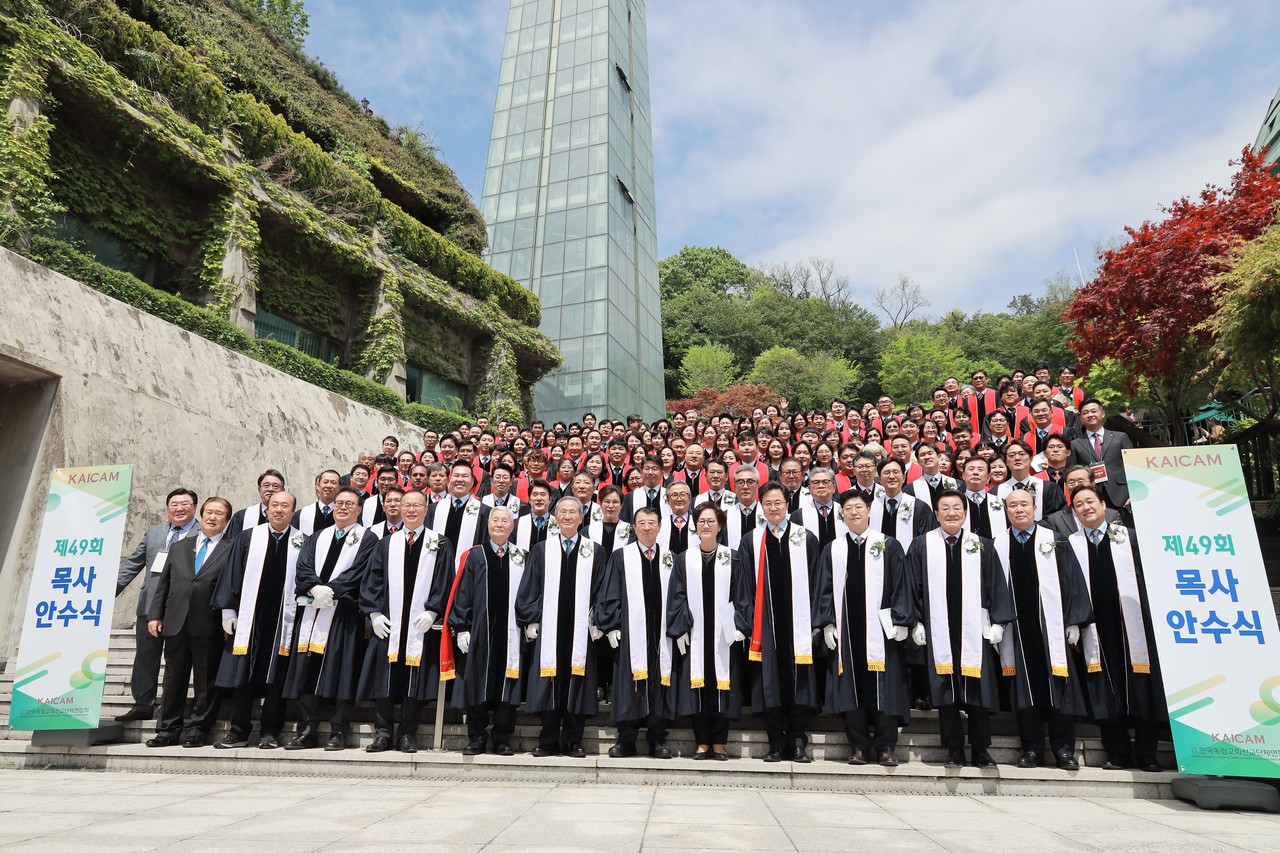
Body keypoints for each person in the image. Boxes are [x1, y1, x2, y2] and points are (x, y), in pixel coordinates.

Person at [906, 490, 1014, 768]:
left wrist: (999, 622)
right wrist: (916, 621)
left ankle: (981, 749)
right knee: (946, 691)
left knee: (977, 689)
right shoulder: (922, 545)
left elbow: (995, 584)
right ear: (936, 514)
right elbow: (911, 587)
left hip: (974, 631)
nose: (951, 513)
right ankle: (953, 749)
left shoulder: (981, 545)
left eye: (957, 508)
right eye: (945, 508)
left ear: (965, 513)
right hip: (938, 630)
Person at [813, 489, 913, 766]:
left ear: (869, 510)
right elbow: (824, 589)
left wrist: (902, 620)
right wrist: (827, 623)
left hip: (882, 632)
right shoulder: (833, 549)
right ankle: (858, 745)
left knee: (885, 687)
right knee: (850, 687)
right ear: (842, 514)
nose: (854, 512)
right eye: (848, 509)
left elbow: (901, 585)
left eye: (859, 507)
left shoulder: (888, 545)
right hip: (847, 632)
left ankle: (886, 747)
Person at [1068, 487, 1165, 772]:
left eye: (1090, 501)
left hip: (1133, 626)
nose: (1085, 507)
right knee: (1104, 689)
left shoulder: (1128, 537)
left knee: (1142, 687)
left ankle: (1147, 754)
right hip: (1095, 628)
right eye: (1078, 504)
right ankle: (1118, 752)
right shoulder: (1071, 545)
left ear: (1103, 505)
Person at [996, 489, 1093, 770]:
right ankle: (1032, 749)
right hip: (1016, 631)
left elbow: (1072, 581)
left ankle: (1064, 750)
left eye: (1024, 504)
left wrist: (1074, 621)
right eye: (1012, 505)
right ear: (1006, 511)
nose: (1019, 509)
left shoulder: (1055, 541)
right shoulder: (998, 544)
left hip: (1052, 630)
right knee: (1024, 690)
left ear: (1035, 507)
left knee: (1059, 687)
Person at [358, 489, 455, 753]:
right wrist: (374, 613)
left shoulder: (440, 543)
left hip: (420, 627)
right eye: (407, 506)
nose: (411, 510)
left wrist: (433, 611)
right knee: (384, 679)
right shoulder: (386, 544)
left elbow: (444, 580)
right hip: (388, 624)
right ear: (400, 509)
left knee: (415, 681)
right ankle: (382, 733)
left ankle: (407, 734)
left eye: (417, 505)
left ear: (426, 510)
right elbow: (373, 579)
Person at [282, 487, 378, 751]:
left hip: (344, 614)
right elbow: (303, 566)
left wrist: (332, 590)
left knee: (343, 670)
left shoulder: (368, 539)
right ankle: (307, 729)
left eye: (349, 504)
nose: (343, 507)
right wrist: (315, 588)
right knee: (307, 668)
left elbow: (360, 571)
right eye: (339, 503)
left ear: (359, 509)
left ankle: (338, 730)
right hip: (313, 610)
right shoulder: (318, 536)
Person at [516, 496, 605, 757]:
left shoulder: (595, 551)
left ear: (581, 517)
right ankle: (548, 740)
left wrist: (599, 619)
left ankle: (574, 740)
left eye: (572, 512)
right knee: (549, 682)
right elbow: (530, 586)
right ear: (555, 517)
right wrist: (531, 619)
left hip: (581, 631)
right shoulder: (542, 550)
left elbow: (602, 589)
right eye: (563, 512)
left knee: (577, 683)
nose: (567, 516)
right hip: (549, 629)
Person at [212, 490, 301, 749]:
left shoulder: (302, 541)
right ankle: (238, 732)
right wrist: (228, 611)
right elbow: (231, 573)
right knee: (242, 676)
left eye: (285, 506)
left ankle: (270, 732)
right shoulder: (248, 537)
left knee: (277, 677)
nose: (279, 510)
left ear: (293, 511)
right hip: (248, 620)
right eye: (275, 505)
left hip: (283, 621)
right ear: (267, 508)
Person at [740, 482, 822, 763]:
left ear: (788, 504)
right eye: (768, 503)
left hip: (798, 625)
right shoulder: (752, 540)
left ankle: (798, 742)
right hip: (765, 627)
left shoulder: (805, 538)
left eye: (778, 502)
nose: (773, 508)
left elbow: (817, 582)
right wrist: (747, 623)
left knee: (800, 682)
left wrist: (816, 621)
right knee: (769, 684)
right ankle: (775, 743)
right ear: (761, 507)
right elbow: (744, 585)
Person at [144, 496, 232, 747]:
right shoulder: (180, 546)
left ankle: (198, 730)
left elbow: (233, 586)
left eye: (219, 513)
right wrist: (155, 614)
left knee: (206, 682)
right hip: (176, 622)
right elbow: (164, 583)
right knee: (173, 680)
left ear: (226, 521)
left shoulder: (231, 548)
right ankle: (167, 730)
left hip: (210, 624)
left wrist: (230, 617)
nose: (212, 517)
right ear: (201, 515)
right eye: (209, 512)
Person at [666, 503, 751, 760]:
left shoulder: (732, 557)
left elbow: (742, 594)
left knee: (722, 686)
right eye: (701, 521)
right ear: (695, 526)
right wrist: (680, 627)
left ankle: (720, 742)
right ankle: (702, 741)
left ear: (720, 526)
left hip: (725, 635)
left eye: (711, 521)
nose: (706, 525)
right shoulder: (684, 559)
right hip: (696, 636)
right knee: (698, 687)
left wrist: (740, 625)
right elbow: (677, 595)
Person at [114, 487, 199, 723]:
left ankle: (170, 707)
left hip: (183, 607)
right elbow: (133, 564)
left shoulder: (203, 533)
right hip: (150, 604)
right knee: (145, 657)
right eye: (174, 504)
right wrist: (108, 592)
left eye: (185, 504)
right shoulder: (154, 533)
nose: (179, 509)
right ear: (167, 508)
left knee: (177, 660)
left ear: (194, 508)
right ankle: (143, 704)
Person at [598, 506, 676, 758]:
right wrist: (612, 625)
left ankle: (657, 739)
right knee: (629, 684)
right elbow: (610, 592)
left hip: (661, 636)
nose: (646, 527)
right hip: (631, 635)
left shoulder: (670, 558)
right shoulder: (622, 556)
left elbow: (679, 596)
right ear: (633, 527)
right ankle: (626, 740)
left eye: (651, 522)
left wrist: (679, 625)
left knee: (659, 684)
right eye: (641, 523)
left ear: (660, 526)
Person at [448, 507, 526, 756]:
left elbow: (529, 593)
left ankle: (502, 738)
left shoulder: (521, 557)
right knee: (476, 683)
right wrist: (462, 627)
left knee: (508, 684)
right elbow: (463, 593)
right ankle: (477, 737)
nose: (500, 524)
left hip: (511, 634)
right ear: (488, 525)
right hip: (480, 633)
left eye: (505, 521)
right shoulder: (475, 556)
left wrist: (530, 620)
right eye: (495, 520)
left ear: (512, 527)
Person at [427, 461, 491, 572]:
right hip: (436, 571)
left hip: (468, 573)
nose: (460, 479)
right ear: (449, 480)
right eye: (456, 475)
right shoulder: (433, 510)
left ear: (472, 481)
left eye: (465, 476)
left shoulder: (484, 512)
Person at [1070, 399, 1133, 512]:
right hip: (1092, 497)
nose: (1090, 415)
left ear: (1102, 414)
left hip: (1122, 496)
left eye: (1094, 411)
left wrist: (1134, 494)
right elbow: (1073, 472)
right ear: (1081, 418)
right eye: (1085, 412)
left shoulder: (1120, 437)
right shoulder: (1075, 444)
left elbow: (1132, 467)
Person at [870, 458, 937, 547]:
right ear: (880, 480)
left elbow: (927, 542)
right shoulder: (873, 507)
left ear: (904, 477)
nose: (891, 476)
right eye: (886, 473)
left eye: (896, 472)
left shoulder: (920, 508)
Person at [996, 440, 1065, 520]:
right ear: (1006, 462)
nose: (1017, 458)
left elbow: (1058, 518)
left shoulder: (1050, 489)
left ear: (1031, 458)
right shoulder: (996, 492)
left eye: (1022, 454)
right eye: (1012, 455)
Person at [790, 467, 846, 548]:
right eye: (816, 482)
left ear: (834, 488)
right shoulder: (798, 515)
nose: (821, 486)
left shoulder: (845, 511)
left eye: (825, 482)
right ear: (809, 489)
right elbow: (794, 545)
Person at [226, 469, 285, 538]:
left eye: (275, 486)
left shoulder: (290, 517)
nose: (270, 489)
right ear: (259, 489)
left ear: (282, 490)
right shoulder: (242, 516)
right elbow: (231, 542)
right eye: (266, 485)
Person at [293, 470, 341, 536]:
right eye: (325, 482)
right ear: (318, 486)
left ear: (339, 488)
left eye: (333, 483)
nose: (329, 486)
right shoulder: (302, 514)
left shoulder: (344, 512)